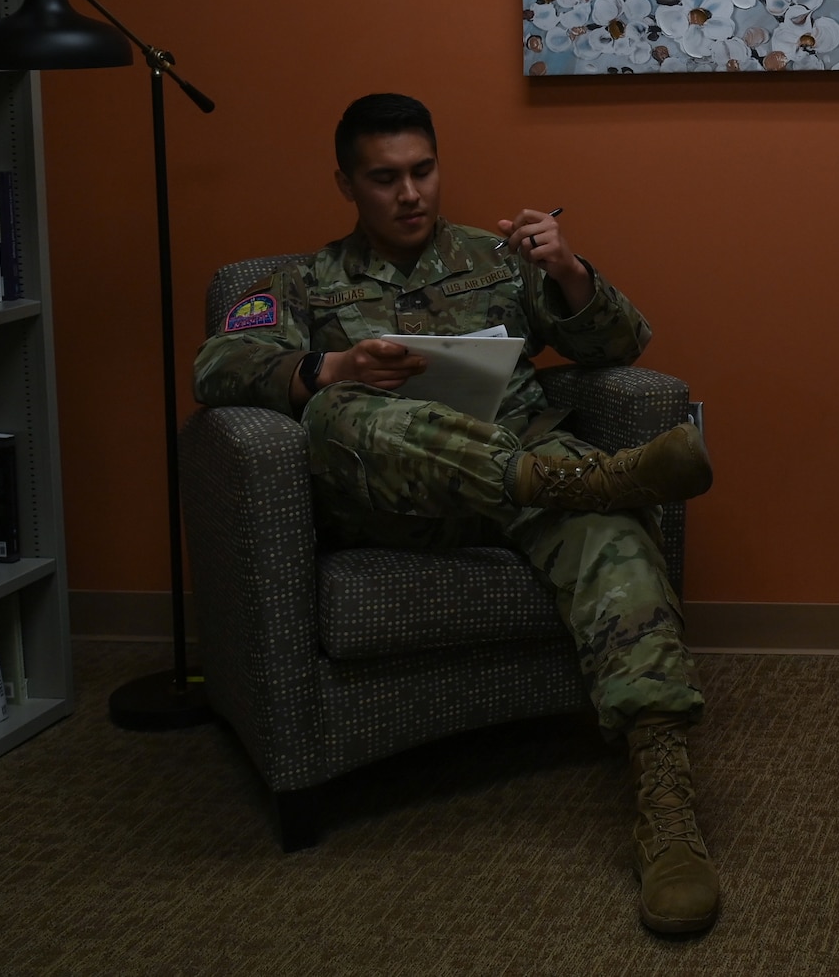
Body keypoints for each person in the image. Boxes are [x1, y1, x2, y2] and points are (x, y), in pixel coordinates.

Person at [192, 93, 721, 934]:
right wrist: (331, 366)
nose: (410, 194)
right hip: (395, 503)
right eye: (385, 177)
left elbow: (623, 344)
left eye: (423, 170)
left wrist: (567, 269)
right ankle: (578, 481)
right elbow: (218, 366)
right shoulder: (300, 281)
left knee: (614, 537)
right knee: (342, 412)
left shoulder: (497, 256)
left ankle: (666, 808)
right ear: (346, 183)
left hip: (518, 490)